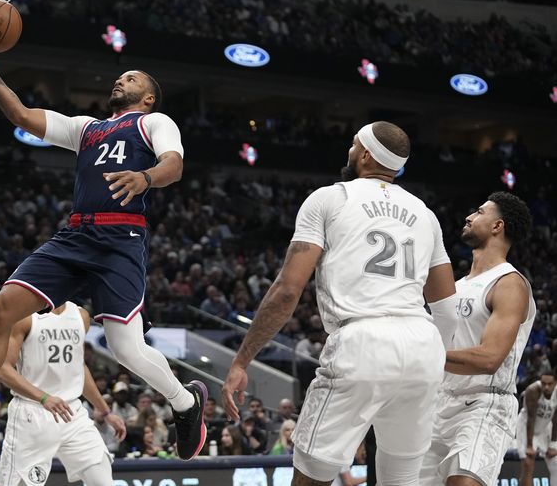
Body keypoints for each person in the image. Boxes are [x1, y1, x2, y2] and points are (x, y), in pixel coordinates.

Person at [0, 18, 206, 461]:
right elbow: (20, 114)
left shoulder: (154, 122)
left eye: (130, 77)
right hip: (76, 234)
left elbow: (175, 165)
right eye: (120, 75)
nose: (120, 78)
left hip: (120, 237)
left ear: (147, 96)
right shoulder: (87, 128)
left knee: (125, 346)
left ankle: (186, 402)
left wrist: (145, 177)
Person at [222, 122, 458, 486]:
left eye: (352, 144)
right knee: (403, 478)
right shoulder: (425, 214)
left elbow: (287, 291)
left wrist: (242, 359)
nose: (348, 151)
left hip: (363, 340)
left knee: (312, 474)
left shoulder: (330, 198)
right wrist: (432, 361)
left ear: (365, 154)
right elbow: (445, 307)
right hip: (423, 347)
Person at [420, 192, 536, 486]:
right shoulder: (455, 287)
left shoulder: (510, 284)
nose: (470, 217)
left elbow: (489, 359)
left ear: (497, 226)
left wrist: (425, 353)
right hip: (439, 403)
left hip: (484, 403)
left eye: (480, 212)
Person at [0, 301, 126, 485]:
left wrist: (106, 412)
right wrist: (43, 397)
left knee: (103, 480)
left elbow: (78, 368)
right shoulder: (24, 315)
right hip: (33, 413)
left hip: (72, 412)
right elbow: (3, 369)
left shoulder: (81, 315)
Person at [515, 371, 557, 486]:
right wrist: (529, 445)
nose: (546, 387)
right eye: (543, 383)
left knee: (556, 464)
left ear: (555, 383)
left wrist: (553, 445)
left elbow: (556, 419)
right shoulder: (532, 390)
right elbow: (531, 418)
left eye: (550, 384)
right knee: (528, 465)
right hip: (527, 426)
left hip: (545, 425)